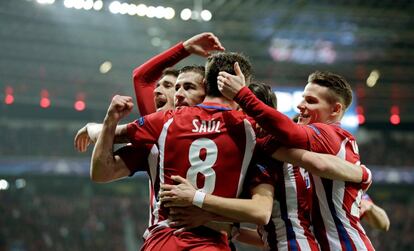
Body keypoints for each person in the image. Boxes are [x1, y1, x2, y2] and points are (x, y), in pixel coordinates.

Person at [160, 82, 370, 251]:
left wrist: (198, 199)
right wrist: (364, 174)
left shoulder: (273, 150)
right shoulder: (272, 154)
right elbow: (266, 228)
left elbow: (261, 211)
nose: (232, 117)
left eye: (240, 110)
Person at [91, 52, 268, 250]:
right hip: (206, 242)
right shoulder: (250, 129)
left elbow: (139, 81)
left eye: (188, 87)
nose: (178, 94)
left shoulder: (165, 122)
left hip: (167, 240)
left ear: (206, 87)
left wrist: (95, 127)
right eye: (175, 88)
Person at [217, 68, 374, 250]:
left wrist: (242, 97)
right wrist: (365, 174)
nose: (300, 105)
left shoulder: (329, 133)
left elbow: (309, 155)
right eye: (302, 98)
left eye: (311, 101)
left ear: (335, 110)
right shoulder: (324, 148)